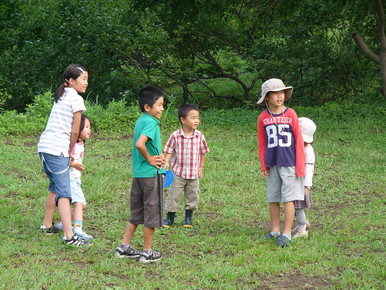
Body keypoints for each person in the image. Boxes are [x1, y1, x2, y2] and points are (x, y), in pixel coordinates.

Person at [38, 64, 91, 246]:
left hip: (44, 148)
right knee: (64, 193)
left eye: (87, 80)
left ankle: (47, 225)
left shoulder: (60, 96)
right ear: (70, 81)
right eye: (83, 79)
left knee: (54, 187)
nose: (86, 83)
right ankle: (69, 236)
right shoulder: (75, 99)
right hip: (57, 149)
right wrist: (69, 152)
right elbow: (75, 131)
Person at [115, 85, 165, 263]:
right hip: (151, 175)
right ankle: (147, 252)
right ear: (147, 107)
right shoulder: (151, 123)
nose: (162, 108)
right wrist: (152, 160)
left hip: (138, 175)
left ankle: (124, 247)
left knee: (136, 213)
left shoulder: (141, 120)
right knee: (151, 214)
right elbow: (140, 144)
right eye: (159, 105)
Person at [257, 78, 305, 247]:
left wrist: (300, 166)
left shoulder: (290, 114)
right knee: (273, 198)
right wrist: (264, 164)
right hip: (272, 164)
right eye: (275, 93)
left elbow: (298, 140)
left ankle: (287, 232)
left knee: (288, 198)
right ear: (267, 98)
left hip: (289, 163)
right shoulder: (263, 117)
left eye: (282, 92)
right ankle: (275, 230)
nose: (279, 96)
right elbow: (262, 143)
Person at [163, 104, 210, 228]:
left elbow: (203, 152)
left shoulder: (199, 136)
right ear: (183, 120)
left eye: (197, 118)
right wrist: (166, 162)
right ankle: (170, 218)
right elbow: (169, 150)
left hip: (193, 173)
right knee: (174, 195)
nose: (196, 121)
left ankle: (188, 217)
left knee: (192, 195)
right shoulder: (175, 135)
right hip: (178, 172)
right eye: (193, 118)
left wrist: (201, 167)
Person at [292, 117, 316, 238]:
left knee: (298, 207)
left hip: (301, 184)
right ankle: (302, 223)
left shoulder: (308, 150)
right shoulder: (297, 147)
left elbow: (309, 169)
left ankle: (302, 229)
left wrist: (306, 185)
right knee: (293, 206)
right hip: (294, 182)